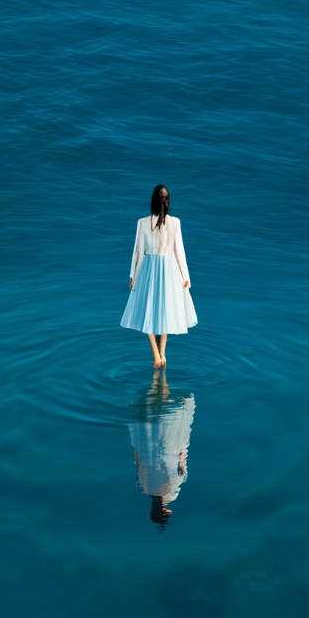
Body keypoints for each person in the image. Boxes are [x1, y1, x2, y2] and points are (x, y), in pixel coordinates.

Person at [120, 184, 197, 367]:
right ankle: (162, 353)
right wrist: (185, 276)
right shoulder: (175, 222)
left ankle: (156, 354)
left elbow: (137, 252)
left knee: (149, 310)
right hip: (169, 268)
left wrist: (133, 274)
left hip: (148, 269)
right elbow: (180, 253)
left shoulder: (143, 222)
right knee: (166, 309)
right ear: (167, 201)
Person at [128, 369, 196, 527]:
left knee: (167, 406)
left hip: (170, 446)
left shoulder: (171, 495)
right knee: (155, 404)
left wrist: (183, 449)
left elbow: (181, 469)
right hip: (150, 443)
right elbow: (137, 461)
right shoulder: (144, 489)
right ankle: (157, 373)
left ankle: (160, 370)